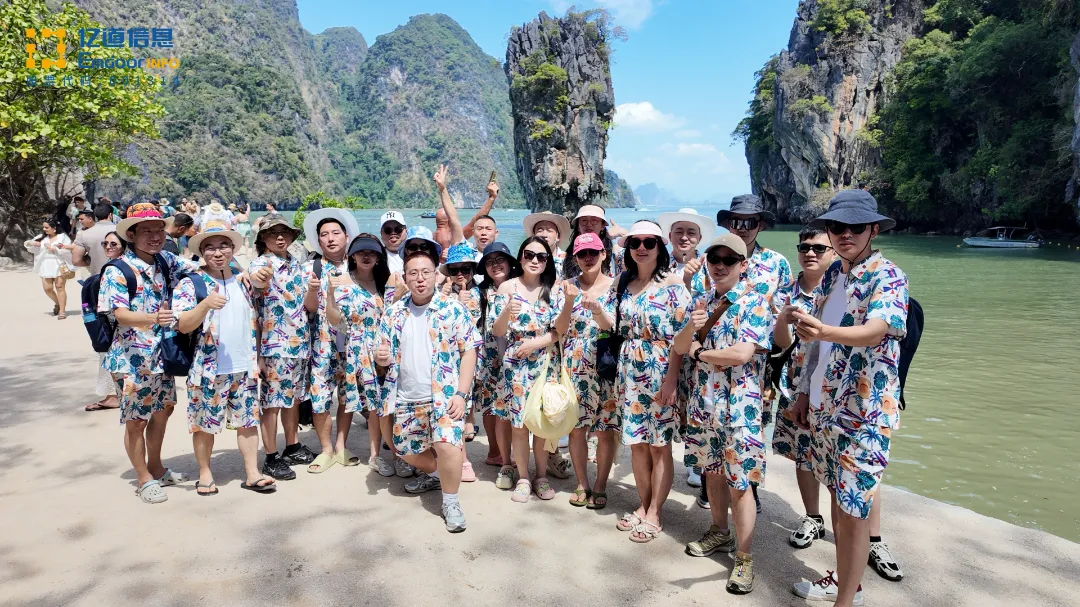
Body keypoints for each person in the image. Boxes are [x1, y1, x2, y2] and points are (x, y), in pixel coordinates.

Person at [789, 190, 909, 607]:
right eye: (837, 227)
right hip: (826, 406)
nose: (845, 234)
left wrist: (825, 331)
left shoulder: (888, 275)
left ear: (873, 230)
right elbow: (814, 346)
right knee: (840, 504)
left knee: (855, 512)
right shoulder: (832, 276)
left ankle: (845, 601)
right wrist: (803, 392)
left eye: (855, 227)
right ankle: (846, 584)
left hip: (865, 412)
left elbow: (877, 330)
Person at [675, 232, 774, 594]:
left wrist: (700, 352)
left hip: (739, 407)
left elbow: (741, 354)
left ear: (742, 265)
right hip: (704, 403)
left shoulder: (755, 303)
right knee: (712, 473)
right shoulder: (701, 300)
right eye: (714, 259)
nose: (719, 265)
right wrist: (692, 328)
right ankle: (719, 531)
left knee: (740, 483)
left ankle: (744, 557)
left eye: (728, 260)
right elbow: (679, 345)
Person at [99, 203, 201, 503]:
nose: (155, 236)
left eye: (159, 230)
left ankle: (156, 467)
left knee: (162, 411)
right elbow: (119, 313)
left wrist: (241, 275)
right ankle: (143, 478)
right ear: (131, 235)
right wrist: (153, 317)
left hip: (161, 355)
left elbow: (197, 269)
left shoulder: (165, 260)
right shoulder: (117, 270)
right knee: (136, 420)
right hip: (131, 359)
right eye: (147, 231)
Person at [375, 250, 481, 532]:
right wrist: (381, 357)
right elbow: (382, 353)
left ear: (436, 275)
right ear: (405, 278)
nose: (420, 279)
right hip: (406, 396)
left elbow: (469, 350)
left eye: (426, 272)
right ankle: (437, 474)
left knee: (447, 445)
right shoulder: (394, 312)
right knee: (402, 449)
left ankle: (451, 502)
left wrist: (461, 393)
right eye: (413, 273)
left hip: (445, 395)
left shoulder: (453, 309)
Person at [174, 222, 276, 495]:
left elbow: (254, 320)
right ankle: (205, 474)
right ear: (201, 252)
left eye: (223, 246)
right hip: (208, 369)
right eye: (210, 248)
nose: (217, 253)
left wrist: (258, 357)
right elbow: (183, 324)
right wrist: (205, 304)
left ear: (232, 249)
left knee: (248, 422)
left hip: (244, 367)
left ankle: (252, 473)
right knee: (204, 424)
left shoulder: (243, 281)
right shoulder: (191, 282)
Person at [608, 220, 689, 543]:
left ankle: (655, 512)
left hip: (660, 369)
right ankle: (643, 505)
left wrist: (672, 380)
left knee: (659, 445)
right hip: (629, 370)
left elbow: (681, 339)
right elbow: (610, 323)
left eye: (649, 242)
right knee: (637, 442)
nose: (641, 248)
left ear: (660, 246)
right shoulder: (623, 282)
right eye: (635, 242)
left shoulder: (673, 284)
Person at [713, 194, 795, 511]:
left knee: (753, 426)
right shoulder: (714, 258)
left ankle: (750, 487)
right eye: (737, 221)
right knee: (713, 424)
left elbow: (784, 313)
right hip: (715, 359)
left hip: (758, 363)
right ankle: (713, 485)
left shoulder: (777, 264)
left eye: (750, 222)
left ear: (760, 225)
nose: (743, 227)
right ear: (728, 224)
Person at [771, 227, 835, 549]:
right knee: (802, 453)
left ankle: (854, 528)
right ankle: (813, 517)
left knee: (837, 455)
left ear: (834, 252)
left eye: (819, 248)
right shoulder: (784, 293)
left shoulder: (841, 292)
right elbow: (779, 345)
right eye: (804, 247)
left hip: (833, 386)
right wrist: (783, 320)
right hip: (793, 385)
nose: (810, 253)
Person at [491, 236, 565, 502]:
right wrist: (506, 311)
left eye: (541, 256)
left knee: (542, 423)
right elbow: (497, 330)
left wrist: (536, 343)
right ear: (520, 257)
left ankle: (541, 476)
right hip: (516, 365)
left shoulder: (553, 289)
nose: (535, 260)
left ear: (548, 261)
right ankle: (523, 477)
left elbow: (560, 330)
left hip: (545, 362)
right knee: (520, 425)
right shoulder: (507, 287)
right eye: (529, 254)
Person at [247, 216, 317, 479]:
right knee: (272, 404)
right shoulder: (263, 263)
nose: (279, 237)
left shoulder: (296, 264)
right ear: (263, 239)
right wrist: (258, 278)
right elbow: (257, 278)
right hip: (274, 346)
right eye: (273, 233)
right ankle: (270, 456)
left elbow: (307, 303)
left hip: (299, 344)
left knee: (292, 399)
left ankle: (292, 446)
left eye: (284, 232)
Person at [326, 234, 393, 477]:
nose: (367, 256)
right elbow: (335, 320)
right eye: (361, 252)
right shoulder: (343, 280)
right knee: (350, 399)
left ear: (379, 257)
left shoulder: (384, 281)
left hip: (381, 348)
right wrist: (330, 294)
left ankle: (376, 454)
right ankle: (342, 447)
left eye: (372, 252)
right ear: (352, 256)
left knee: (378, 403)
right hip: (355, 347)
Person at [658, 207, 716, 489]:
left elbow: (711, 307)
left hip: (696, 351)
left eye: (691, 232)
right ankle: (663, 458)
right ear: (669, 236)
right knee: (665, 405)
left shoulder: (713, 266)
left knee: (695, 405)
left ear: (699, 238)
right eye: (679, 231)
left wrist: (690, 282)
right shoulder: (658, 265)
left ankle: (694, 463)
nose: (684, 237)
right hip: (662, 350)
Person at [560, 233, 618, 510]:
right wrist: (568, 302)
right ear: (575, 258)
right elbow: (559, 329)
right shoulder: (567, 286)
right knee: (576, 428)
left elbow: (614, 327)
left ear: (604, 254)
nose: (588, 258)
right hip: (574, 364)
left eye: (593, 252)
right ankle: (582, 483)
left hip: (606, 362)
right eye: (582, 254)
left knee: (606, 428)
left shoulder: (617, 286)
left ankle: (601, 484)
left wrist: (597, 311)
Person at [302, 208, 361, 473]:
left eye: (336, 233)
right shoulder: (311, 269)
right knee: (320, 397)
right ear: (318, 241)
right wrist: (313, 291)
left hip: (351, 345)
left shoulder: (358, 266)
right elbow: (310, 309)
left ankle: (340, 445)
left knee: (347, 396)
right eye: (324, 234)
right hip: (322, 344)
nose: (330, 238)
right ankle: (325, 449)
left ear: (347, 237)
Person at [474, 242, 520, 472]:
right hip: (488, 354)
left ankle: (511, 451)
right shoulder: (480, 291)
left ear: (510, 263)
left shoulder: (521, 286)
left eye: (500, 260)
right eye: (490, 262)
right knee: (490, 405)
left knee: (513, 405)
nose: (495, 265)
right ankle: (495, 451)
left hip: (516, 353)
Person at [439, 242, 483, 482]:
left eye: (465, 269)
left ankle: (463, 456)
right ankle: (459, 458)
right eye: (454, 269)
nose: (460, 274)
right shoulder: (441, 292)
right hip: (445, 356)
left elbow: (473, 326)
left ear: (472, 271)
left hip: (468, 355)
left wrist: (462, 302)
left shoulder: (477, 293)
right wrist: (448, 296)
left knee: (464, 400)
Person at [83, 231, 126, 412]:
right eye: (105, 243)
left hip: (114, 321)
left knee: (109, 356)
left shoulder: (120, 267)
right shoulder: (115, 265)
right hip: (110, 320)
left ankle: (114, 396)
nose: (108, 247)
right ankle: (114, 395)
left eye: (113, 244)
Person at [24, 218, 72, 319]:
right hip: (45, 264)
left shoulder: (63, 237)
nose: (44, 229)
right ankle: (58, 303)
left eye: (47, 227)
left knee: (60, 287)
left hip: (59, 264)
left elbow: (68, 249)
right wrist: (32, 243)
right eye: (43, 227)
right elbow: (28, 245)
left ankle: (62, 311)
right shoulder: (41, 237)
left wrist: (55, 248)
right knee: (47, 288)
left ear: (54, 228)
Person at [562, 205, 619, 279]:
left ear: (602, 226)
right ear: (578, 226)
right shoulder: (569, 254)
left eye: (594, 220)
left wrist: (622, 233)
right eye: (584, 220)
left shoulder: (614, 252)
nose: (588, 224)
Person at [71, 202, 119, 276]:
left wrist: (90, 262)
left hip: (97, 276)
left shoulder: (83, 233)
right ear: (110, 215)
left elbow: (76, 260)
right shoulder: (121, 231)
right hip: (119, 276)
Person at [523, 211, 571, 277]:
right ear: (534, 236)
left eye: (549, 230)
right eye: (540, 230)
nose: (544, 235)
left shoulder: (568, 260)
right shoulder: (526, 259)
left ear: (558, 237)